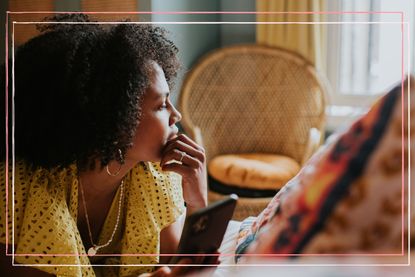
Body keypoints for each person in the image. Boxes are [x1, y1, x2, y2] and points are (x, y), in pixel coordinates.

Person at [0, 14, 208, 277]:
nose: (175, 116)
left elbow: (183, 267)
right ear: (114, 116)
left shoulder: (157, 178)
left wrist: (198, 202)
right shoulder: (18, 191)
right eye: (161, 104)